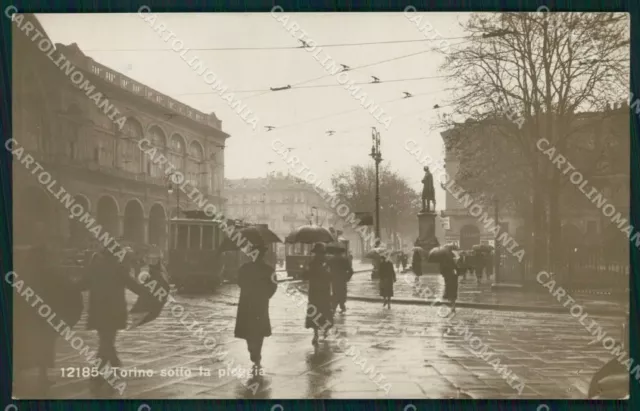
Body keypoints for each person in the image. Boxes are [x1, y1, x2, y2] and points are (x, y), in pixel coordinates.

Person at [13, 244, 83, 395]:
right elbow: (69, 289)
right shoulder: (52, 272)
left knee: (23, 345)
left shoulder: (24, 273)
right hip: (46, 316)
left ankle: (19, 374)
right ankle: (42, 375)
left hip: (28, 317)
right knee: (45, 345)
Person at [77, 245, 146, 392]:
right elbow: (132, 285)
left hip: (98, 310)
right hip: (114, 311)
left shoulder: (95, 268)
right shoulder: (119, 268)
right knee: (107, 341)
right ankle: (101, 370)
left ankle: (110, 366)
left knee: (105, 340)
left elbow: (82, 284)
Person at [234, 247, 278, 369]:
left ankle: (253, 350)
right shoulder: (269, 270)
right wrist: (265, 296)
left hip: (246, 302)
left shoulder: (244, 268)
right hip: (261, 302)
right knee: (259, 328)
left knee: (248, 328)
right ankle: (257, 352)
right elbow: (274, 286)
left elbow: (239, 282)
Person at [304, 243, 334, 346]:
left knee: (316, 312)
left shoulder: (313, 264)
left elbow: (305, 276)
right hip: (321, 292)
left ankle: (317, 333)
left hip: (316, 292)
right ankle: (319, 332)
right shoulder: (325, 264)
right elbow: (330, 277)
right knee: (322, 311)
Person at [328, 246, 354, 313]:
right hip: (342, 279)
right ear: (341, 253)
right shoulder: (344, 260)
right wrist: (347, 278)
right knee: (342, 293)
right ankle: (342, 306)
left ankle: (334, 307)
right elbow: (351, 271)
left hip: (334, 279)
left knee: (335, 292)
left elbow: (326, 269)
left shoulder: (331, 260)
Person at [440, 248, 459, 312]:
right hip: (453, 277)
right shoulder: (452, 258)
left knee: (450, 291)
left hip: (449, 277)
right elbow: (457, 269)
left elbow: (442, 269)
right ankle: (453, 305)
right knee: (453, 291)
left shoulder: (444, 259)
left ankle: (452, 305)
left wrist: (444, 274)